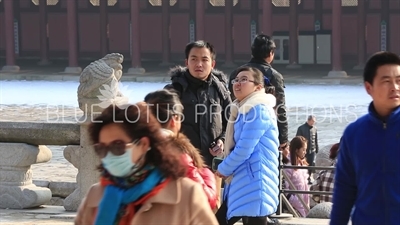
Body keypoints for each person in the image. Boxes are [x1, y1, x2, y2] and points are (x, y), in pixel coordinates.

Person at [74, 103, 218, 225]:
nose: (109, 155)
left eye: (118, 146)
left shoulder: (186, 194)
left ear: (143, 144)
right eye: (102, 149)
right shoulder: (96, 195)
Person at [330, 51, 400, 225]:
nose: (395, 87)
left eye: (399, 81)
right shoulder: (354, 133)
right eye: (386, 81)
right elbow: (344, 190)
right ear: (369, 88)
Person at [164, 40, 232, 207]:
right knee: (185, 209)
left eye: (204, 59)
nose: (199, 64)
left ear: (212, 63)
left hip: (213, 164)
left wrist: (222, 140)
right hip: (184, 164)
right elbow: (163, 128)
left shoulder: (221, 92)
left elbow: (230, 123)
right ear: (186, 62)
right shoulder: (173, 91)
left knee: (211, 208)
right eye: (194, 59)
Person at [215, 66, 280, 225]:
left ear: (258, 87)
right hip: (246, 180)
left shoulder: (258, 110)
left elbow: (244, 149)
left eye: (244, 80)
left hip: (256, 181)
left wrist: (223, 169)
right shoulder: (242, 109)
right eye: (236, 80)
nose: (237, 83)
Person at [144, 89, 218, 210]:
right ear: (175, 119)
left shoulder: (136, 149)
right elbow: (205, 198)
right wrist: (206, 173)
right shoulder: (175, 154)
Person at [228, 34, 288, 150]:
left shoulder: (237, 73)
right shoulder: (274, 76)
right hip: (265, 129)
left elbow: (230, 102)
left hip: (238, 126)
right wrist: (283, 139)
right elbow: (280, 107)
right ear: (271, 53)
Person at [284, 136, 310, 217]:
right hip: (296, 205)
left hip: (305, 202)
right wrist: (295, 201)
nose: (305, 152)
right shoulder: (288, 166)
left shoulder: (301, 164)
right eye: (303, 149)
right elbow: (285, 188)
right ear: (296, 150)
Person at [296, 115, 319, 184]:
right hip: (303, 151)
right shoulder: (301, 128)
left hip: (312, 150)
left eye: (314, 122)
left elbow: (316, 140)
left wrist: (317, 149)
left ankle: (309, 178)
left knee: (311, 165)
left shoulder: (314, 129)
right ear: (308, 120)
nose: (313, 123)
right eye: (312, 121)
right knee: (303, 164)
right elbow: (297, 139)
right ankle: (302, 178)